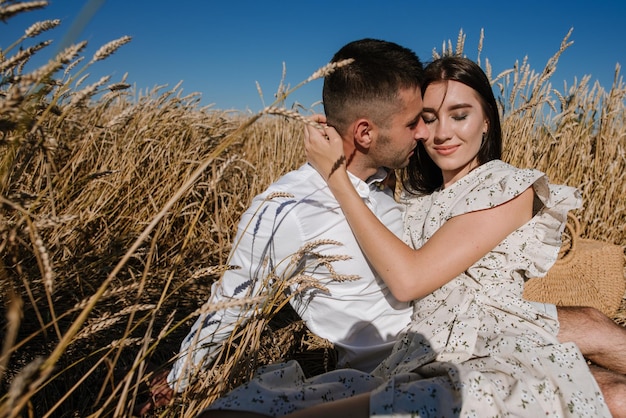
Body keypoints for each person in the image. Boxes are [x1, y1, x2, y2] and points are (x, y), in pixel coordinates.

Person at [138, 40, 626, 416]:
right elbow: (233, 298)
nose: (426, 133)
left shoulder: (394, 189)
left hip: (470, 341)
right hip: (399, 366)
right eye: (419, 120)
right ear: (366, 132)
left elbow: (430, 248)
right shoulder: (287, 207)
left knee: (597, 372)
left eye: (449, 117)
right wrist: (181, 377)